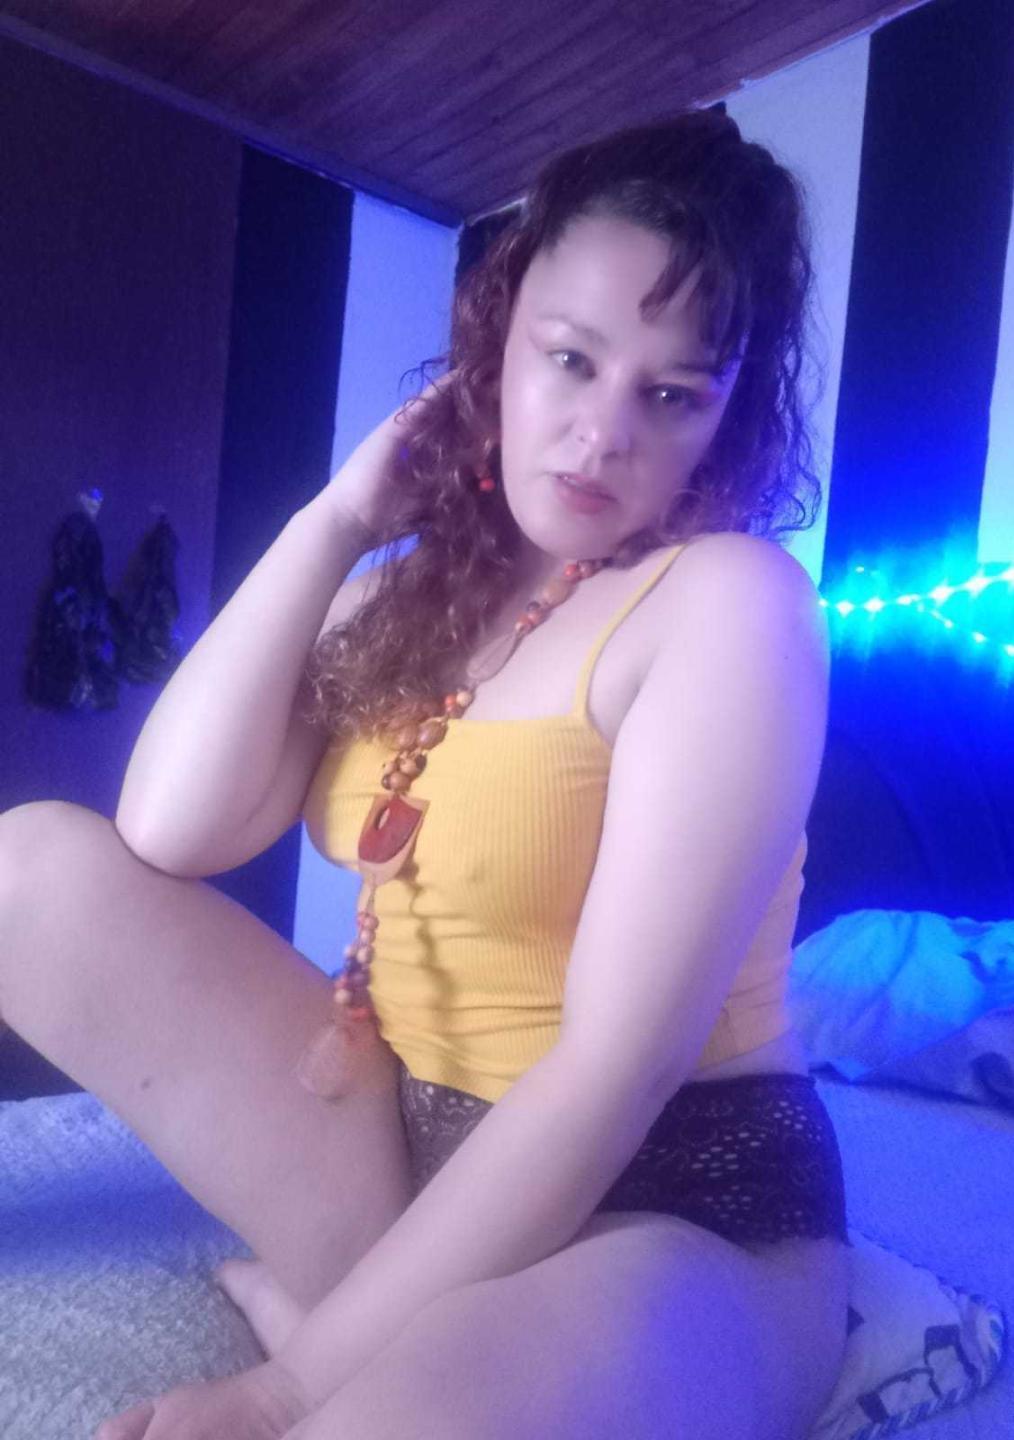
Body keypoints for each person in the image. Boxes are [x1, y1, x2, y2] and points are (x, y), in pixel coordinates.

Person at [0, 106, 850, 1439]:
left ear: (724, 418)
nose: (601, 433)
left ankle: (339, 1333)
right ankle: (365, 1317)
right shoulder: (404, 601)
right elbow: (167, 829)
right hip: (410, 1154)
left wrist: (287, 1394)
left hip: (670, 1204)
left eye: (671, 394)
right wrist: (337, 521)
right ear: (495, 348)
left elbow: (616, 1072)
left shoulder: (730, 605)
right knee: (31, 871)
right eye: (569, 359)